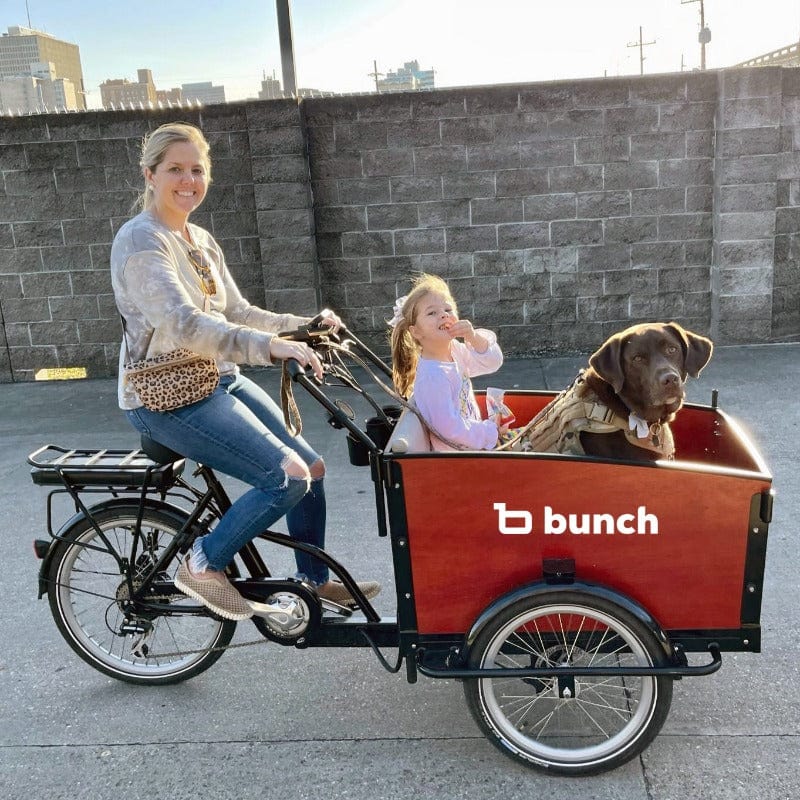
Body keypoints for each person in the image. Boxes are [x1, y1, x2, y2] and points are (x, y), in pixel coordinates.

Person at [110, 121, 379, 621]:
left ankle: (310, 583)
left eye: (197, 170)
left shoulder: (199, 239)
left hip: (214, 380)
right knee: (286, 478)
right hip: (166, 398)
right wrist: (270, 349)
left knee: (312, 469)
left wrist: (304, 327)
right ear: (149, 174)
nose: (187, 180)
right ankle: (202, 564)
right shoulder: (141, 243)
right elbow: (186, 325)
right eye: (175, 169)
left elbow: (238, 311)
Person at [389, 273, 508, 451]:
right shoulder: (433, 376)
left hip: (474, 444)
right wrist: (490, 432)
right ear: (416, 332)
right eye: (432, 313)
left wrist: (473, 337)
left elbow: (493, 362)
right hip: (458, 458)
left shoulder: (455, 350)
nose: (444, 315)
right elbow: (450, 429)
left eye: (448, 309)